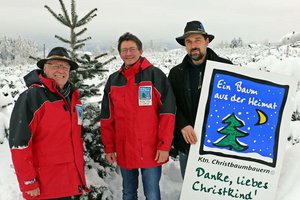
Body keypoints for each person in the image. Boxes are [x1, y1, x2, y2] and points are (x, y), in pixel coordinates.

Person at [100, 32, 176, 200]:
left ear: (141, 51)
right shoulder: (113, 81)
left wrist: (164, 146)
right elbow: (107, 118)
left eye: (132, 49)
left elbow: (168, 113)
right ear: (119, 53)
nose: (128, 53)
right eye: (124, 50)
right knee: (128, 192)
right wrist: (109, 147)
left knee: (152, 193)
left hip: (150, 149)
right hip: (124, 148)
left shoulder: (155, 75)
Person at [9, 47, 89, 199]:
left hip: (68, 183)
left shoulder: (73, 98)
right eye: (55, 65)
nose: (61, 70)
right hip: (45, 186)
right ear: (44, 68)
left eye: (65, 67)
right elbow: (19, 144)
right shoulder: (32, 97)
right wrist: (29, 182)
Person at [168, 20, 233, 179]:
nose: (193, 45)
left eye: (197, 40)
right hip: (189, 143)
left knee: (218, 188)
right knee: (192, 187)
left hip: (219, 144)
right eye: (188, 42)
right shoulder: (176, 73)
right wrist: (182, 124)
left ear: (207, 41)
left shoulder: (227, 68)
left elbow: (237, 103)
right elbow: (169, 104)